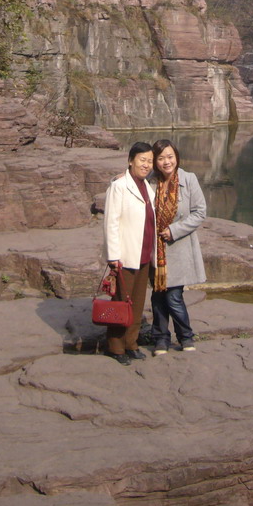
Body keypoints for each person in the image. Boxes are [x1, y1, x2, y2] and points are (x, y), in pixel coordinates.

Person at [102, 141, 157, 365]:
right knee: (120, 302)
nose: (146, 165)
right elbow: (111, 222)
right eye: (142, 160)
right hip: (125, 255)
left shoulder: (147, 186)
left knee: (136, 301)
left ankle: (131, 343)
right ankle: (116, 347)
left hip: (143, 253)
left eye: (150, 161)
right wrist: (113, 256)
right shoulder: (120, 186)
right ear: (131, 160)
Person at [150, 138, 207, 354]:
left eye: (170, 157)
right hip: (157, 250)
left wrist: (174, 230)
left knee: (173, 296)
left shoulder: (189, 179)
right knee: (157, 296)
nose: (167, 162)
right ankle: (160, 339)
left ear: (176, 157)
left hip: (179, 247)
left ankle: (186, 337)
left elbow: (200, 212)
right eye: (162, 158)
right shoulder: (151, 182)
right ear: (155, 161)